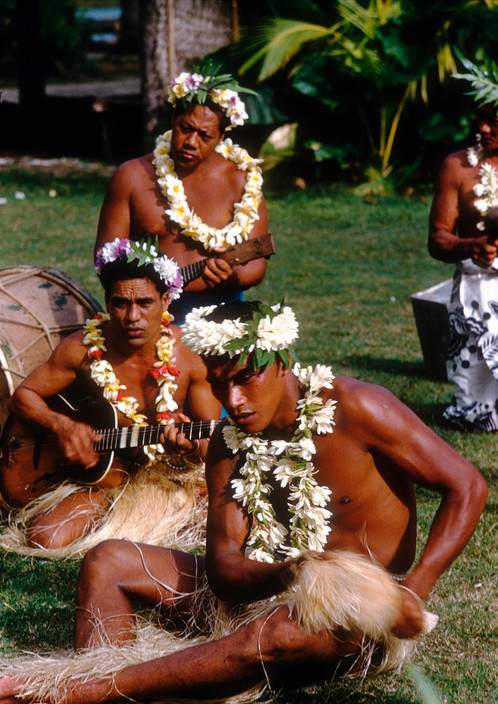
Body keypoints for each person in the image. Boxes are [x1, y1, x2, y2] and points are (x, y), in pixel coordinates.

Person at [0, 300, 487, 704]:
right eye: (218, 383)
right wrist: (286, 573)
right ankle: (102, 680)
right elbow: (226, 573)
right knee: (108, 561)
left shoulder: (359, 408)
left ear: (282, 362)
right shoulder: (228, 444)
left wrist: (414, 590)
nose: (233, 399)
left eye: (246, 378)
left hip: (360, 613)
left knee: (280, 634)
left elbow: (467, 486)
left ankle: (78, 691)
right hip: (266, 591)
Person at [0, 239, 220, 557]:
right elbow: (23, 398)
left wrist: (189, 449)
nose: (132, 316)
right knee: (43, 539)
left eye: (144, 303)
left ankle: (141, 522)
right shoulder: (82, 349)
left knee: (226, 522)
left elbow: (213, 442)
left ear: (165, 301)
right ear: (106, 300)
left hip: (168, 472)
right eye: (120, 303)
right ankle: (123, 520)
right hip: (104, 479)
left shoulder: (189, 356)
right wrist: (62, 426)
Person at [94, 69, 268, 325]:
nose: (191, 142)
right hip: (151, 317)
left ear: (221, 136)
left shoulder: (243, 180)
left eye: (205, 135)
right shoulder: (132, 177)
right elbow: (105, 257)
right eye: (185, 128)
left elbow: (258, 263)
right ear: (173, 118)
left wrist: (231, 276)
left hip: (227, 312)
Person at [428, 56, 498, 431]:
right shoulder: (457, 166)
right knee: (471, 403)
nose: (484, 129)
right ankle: (476, 408)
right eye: (480, 119)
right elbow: (437, 238)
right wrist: (471, 245)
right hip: (475, 282)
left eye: (496, 122)